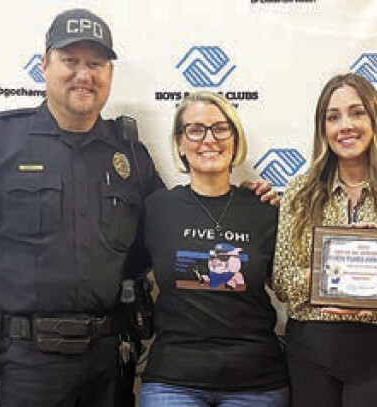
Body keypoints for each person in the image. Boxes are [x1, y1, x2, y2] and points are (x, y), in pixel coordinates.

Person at [0, 9, 274, 407]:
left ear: (109, 74)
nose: (84, 74)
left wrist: (242, 202)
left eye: (96, 63)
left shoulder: (130, 155)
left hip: (109, 358)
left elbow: (171, 227)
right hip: (26, 362)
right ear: (44, 66)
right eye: (71, 61)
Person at [272, 73, 377, 407]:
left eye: (357, 113)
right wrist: (328, 276)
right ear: (323, 129)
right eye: (333, 117)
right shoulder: (299, 192)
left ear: (374, 119)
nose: (346, 125)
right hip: (310, 346)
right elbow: (282, 281)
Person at [140, 91, 289, 407]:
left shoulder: (265, 210)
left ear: (235, 140)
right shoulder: (155, 209)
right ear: (180, 144)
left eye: (221, 128)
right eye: (195, 130)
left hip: (255, 383)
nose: (209, 139)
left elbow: (290, 285)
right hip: (174, 381)